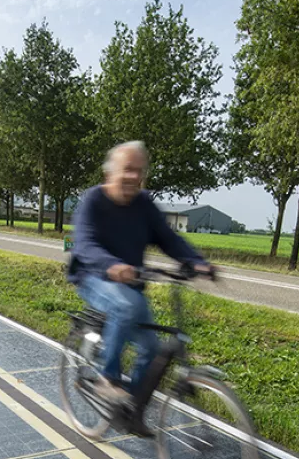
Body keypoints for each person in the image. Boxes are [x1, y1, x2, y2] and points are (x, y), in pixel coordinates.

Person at [66, 141, 214, 435]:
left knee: (152, 349)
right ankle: (108, 379)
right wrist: (111, 265)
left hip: (129, 283)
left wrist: (196, 262)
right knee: (126, 306)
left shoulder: (144, 204)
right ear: (110, 173)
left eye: (139, 171)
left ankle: (130, 411)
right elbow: (84, 244)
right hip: (93, 276)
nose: (134, 176)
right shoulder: (93, 200)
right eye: (127, 170)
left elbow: (168, 239)